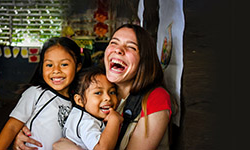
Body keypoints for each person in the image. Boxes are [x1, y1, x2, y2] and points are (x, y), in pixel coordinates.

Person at [14, 24, 176, 150]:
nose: (119, 50)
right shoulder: (87, 89)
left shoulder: (155, 98)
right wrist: (25, 135)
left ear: (144, 60)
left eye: (131, 47)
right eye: (114, 43)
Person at [0, 37, 84, 150]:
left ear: (78, 66)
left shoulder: (78, 101)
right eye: (49, 65)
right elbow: (12, 127)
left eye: (64, 64)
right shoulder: (36, 93)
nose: (56, 70)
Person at [63, 66, 123, 150]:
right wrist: (114, 120)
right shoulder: (86, 121)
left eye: (112, 92)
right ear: (80, 100)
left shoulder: (80, 114)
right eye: (98, 93)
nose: (108, 98)